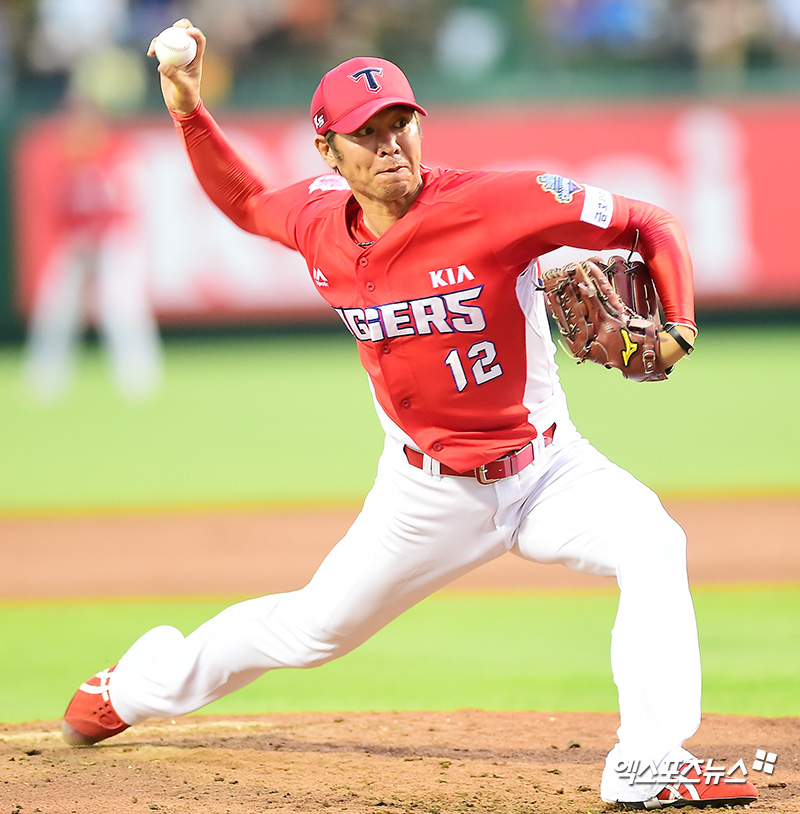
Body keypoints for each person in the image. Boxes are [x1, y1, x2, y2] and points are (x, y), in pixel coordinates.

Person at [62, 19, 757, 810]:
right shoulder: (319, 223)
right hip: (426, 493)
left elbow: (650, 222)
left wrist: (678, 329)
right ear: (328, 152)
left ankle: (649, 761)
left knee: (652, 541)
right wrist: (187, 108)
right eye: (367, 132)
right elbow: (247, 200)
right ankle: (135, 686)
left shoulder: (501, 202)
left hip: (548, 469)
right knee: (311, 632)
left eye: (401, 123)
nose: (390, 144)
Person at [22, 93, 162, 402]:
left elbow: (129, 200)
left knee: (122, 305)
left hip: (112, 237)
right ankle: (45, 378)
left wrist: (102, 234)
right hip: (75, 238)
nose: (79, 125)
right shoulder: (56, 154)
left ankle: (138, 378)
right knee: (56, 308)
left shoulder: (117, 151)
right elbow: (50, 205)